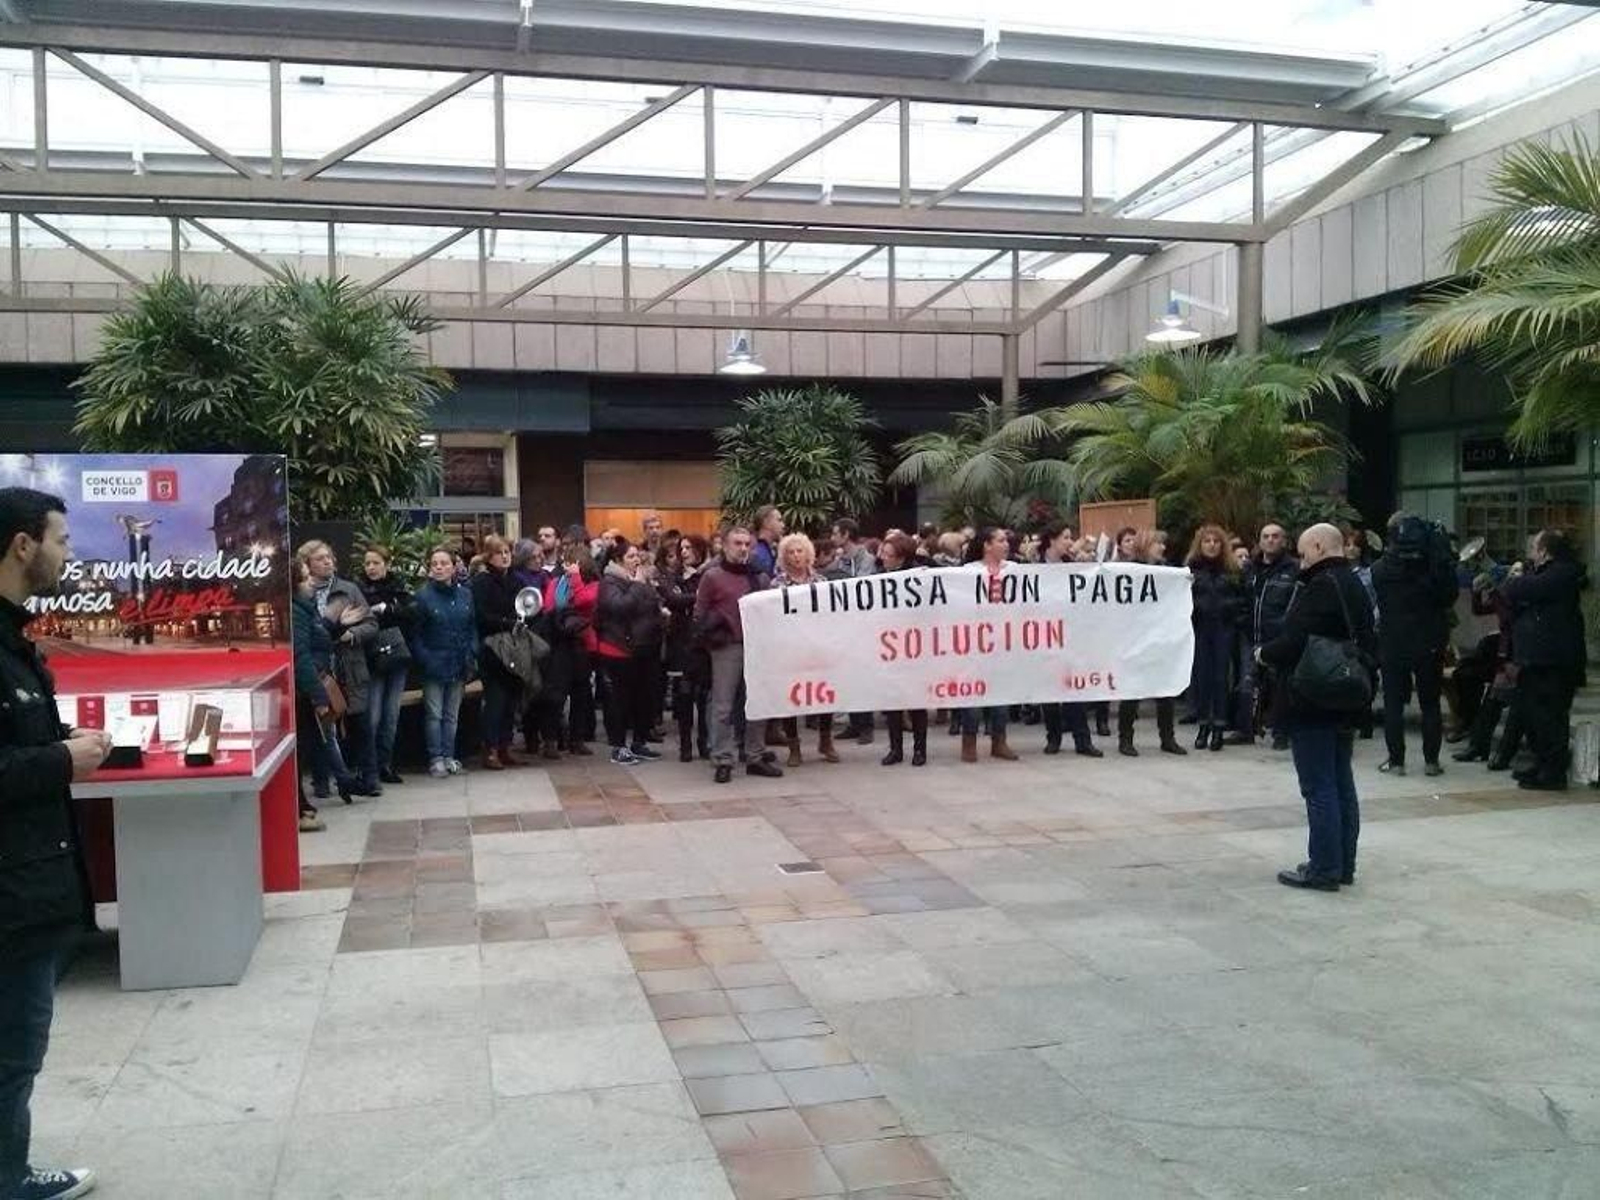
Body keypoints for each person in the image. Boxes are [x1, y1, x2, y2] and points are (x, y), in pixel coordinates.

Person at [0, 487, 108, 1200]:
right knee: (14, 1047)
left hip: (28, 882)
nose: (69, 555)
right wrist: (66, 760)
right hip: (12, 894)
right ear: (22, 545)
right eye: (62, 540)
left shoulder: (14, 640)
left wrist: (57, 746)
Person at [1259, 523, 1377, 891]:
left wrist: (1265, 653)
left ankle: (1324, 867)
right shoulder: (1355, 583)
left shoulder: (1320, 586)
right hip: (1346, 693)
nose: (1301, 558)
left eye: (1304, 550)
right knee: (1341, 781)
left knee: (1318, 785)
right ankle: (1344, 864)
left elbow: (1294, 641)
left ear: (1319, 546)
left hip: (1313, 696)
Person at [1371, 513, 1459, 777]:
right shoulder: (1435, 569)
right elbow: (1449, 596)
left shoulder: (1382, 569)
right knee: (1430, 703)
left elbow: (1378, 582)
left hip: (1392, 641)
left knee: (1394, 704)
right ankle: (1431, 761)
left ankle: (1396, 761)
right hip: (1429, 640)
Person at [1501, 529, 1586, 791]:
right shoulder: (1544, 573)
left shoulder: (1563, 572)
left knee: (1551, 717)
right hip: (1536, 658)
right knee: (1533, 715)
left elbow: (1521, 588)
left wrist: (1514, 579)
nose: (1530, 551)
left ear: (1545, 551)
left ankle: (1553, 772)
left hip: (1555, 661)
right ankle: (1541, 763)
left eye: (1534, 547)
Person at [695, 526, 781, 783]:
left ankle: (754, 754)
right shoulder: (712, 576)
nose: (743, 548)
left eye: (747, 544)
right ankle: (723, 757)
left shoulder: (760, 577)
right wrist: (714, 631)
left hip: (756, 645)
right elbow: (699, 613)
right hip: (726, 647)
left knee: (756, 703)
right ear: (724, 545)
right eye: (737, 543)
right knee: (723, 704)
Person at [299, 540, 378, 797]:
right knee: (323, 726)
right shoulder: (302, 594)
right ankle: (323, 782)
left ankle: (369, 779)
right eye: (320, 558)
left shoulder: (348, 589)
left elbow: (371, 624)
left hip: (348, 665)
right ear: (308, 564)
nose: (327, 562)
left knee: (360, 724)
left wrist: (352, 634)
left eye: (329, 557)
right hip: (318, 669)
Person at [595, 540, 667, 766]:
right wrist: (637, 586)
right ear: (617, 560)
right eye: (630, 556)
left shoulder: (641, 579)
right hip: (618, 648)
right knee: (619, 700)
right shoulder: (610, 582)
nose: (636, 560)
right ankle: (619, 746)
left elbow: (651, 606)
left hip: (643, 648)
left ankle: (639, 742)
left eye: (637, 555)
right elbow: (619, 607)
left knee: (642, 699)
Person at [1118, 529, 1187, 758]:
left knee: (1165, 689)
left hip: (1161, 638)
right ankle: (1125, 739)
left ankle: (1167, 738)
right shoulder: (1129, 571)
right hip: (1134, 639)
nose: (1163, 548)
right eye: (1158, 544)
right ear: (1146, 545)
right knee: (1131, 690)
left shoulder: (1168, 572)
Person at [1037, 523, 1102, 758]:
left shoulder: (1072, 566)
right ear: (1052, 540)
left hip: (1071, 635)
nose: (1069, 541)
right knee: (1050, 690)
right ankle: (1053, 737)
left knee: (1075, 688)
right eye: (1065, 537)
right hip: (1044, 635)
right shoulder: (1034, 567)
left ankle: (1082, 740)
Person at [411, 546, 477, 778]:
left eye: (444, 563)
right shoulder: (422, 596)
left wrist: (472, 651)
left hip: (459, 662)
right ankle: (436, 758)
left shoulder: (465, 594)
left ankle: (449, 756)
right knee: (434, 713)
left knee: (452, 714)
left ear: (454, 567)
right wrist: (426, 659)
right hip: (434, 663)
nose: (439, 567)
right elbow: (415, 634)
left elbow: (472, 627)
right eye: (434, 564)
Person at [773, 533, 839, 767]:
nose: (796, 556)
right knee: (792, 696)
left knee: (824, 694)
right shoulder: (777, 584)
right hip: (791, 648)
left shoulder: (821, 582)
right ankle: (794, 746)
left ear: (808, 554)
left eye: (800, 551)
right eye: (791, 552)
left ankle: (825, 740)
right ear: (784, 556)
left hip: (817, 646)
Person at [958, 527, 1020, 763]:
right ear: (987, 544)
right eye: (1001, 540)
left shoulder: (1015, 570)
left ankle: (999, 740)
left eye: (1006, 540)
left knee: (1000, 691)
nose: (1006, 544)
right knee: (972, 693)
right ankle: (969, 740)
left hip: (1004, 641)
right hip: (974, 643)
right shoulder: (968, 572)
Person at [1186, 524, 1247, 752]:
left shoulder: (1233, 571)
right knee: (1202, 679)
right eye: (1207, 541)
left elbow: (1244, 601)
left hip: (1224, 630)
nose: (1211, 545)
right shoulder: (1190, 570)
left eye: (1216, 541)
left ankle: (1219, 727)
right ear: (1200, 545)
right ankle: (1203, 726)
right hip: (1200, 630)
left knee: (1221, 679)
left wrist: (1233, 616)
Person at [873, 532, 932, 766]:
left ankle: (920, 750)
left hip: (915, 646)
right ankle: (895, 749)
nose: (883, 558)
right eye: (883, 553)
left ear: (901, 558)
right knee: (893, 700)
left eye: (888, 555)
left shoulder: (919, 577)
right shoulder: (877, 579)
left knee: (917, 701)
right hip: (889, 647)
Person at [358, 545, 413, 786]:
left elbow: (412, 614)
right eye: (368, 563)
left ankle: (385, 764)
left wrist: (389, 608)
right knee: (373, 715)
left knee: (391, 714)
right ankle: (368, 766)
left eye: (376, 562)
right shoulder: (357, 589)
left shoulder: (398, 588)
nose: (371, 567)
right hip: (372, 659)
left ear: (387, 564)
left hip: (397, 658)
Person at [469, 534, 525, 770]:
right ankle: (490, 748)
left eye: (507, 552)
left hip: (515, 646)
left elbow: (526, 605)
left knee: (511, 699)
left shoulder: (515, 580)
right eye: (499, 552)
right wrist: (507, 622)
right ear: (489, 557)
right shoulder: (482, 582)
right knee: (496, 700)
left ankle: (505, 745)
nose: (504, 557)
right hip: (492, 647)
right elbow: (481, 616)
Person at [1241, 523, 1299, 749]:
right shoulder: (1249, 568)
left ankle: (1281, 733)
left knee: (1280, 686)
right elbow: (1242, 599)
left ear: (1284, 541)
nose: (1271, 540)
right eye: (1266, 536)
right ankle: (1246, 729)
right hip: (1251, 634)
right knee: (1247, 683)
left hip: (1278, 637)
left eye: (1275, 536)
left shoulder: (1293, 569)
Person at [540, 549, 600, 758]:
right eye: (566, 563)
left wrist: (575, 578)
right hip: (559, 644)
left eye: (573, 563)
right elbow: (548, 608)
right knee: (556, 694)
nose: (568, 566)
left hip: (582, 644)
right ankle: (550, 740)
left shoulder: (593, 585)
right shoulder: (555, 583)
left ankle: (577, 739)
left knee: (581, 694)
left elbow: (585, 601)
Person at [661, 534, 712, 763]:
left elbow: (709, 600)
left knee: (702, 696)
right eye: (682, 548)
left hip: (702, 643)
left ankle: (704, 742)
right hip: (680, 642)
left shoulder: (708, 575)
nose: (684, 552)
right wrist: (697, 597)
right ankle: (685, 746)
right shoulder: (674, 575)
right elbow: (672, 598)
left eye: (689, 548)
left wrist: (689, 598)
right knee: (683, 696)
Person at [289, 559, 331, 829]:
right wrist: (319, 696)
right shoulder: (297, 611)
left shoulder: (305, 608)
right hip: (302, 690)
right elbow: (300, 656)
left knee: (304, 750)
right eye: (305, 578)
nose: (310, 583)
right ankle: (297, 808)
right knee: (300, 750)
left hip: (306, 685)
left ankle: (301, 803)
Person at [751, 506, 784, 578]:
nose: (783, 525)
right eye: (779, 520)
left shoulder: (772, 549)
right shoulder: (758, 554)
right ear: (766, 523)